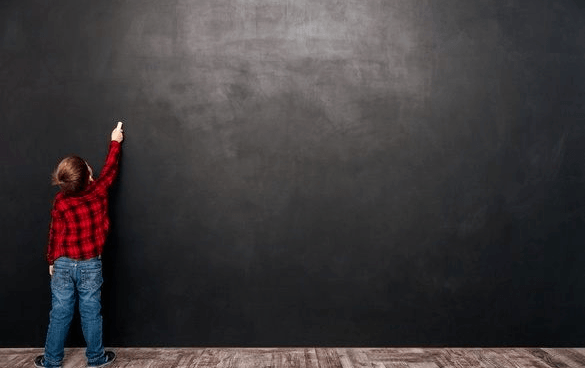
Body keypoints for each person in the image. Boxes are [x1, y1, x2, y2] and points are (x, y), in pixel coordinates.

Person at [35, 122, 124, 368]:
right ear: (88, 174)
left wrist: (51, 259)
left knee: (60, 312)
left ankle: (51, 360)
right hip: (90, 264)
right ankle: (95, 358)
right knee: (91, 312)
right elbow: (111, 168)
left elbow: (54, 232)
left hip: (63, 263)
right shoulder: (98, 190)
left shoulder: (61, 201)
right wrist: (115, 141)